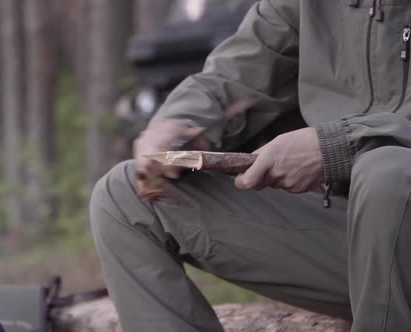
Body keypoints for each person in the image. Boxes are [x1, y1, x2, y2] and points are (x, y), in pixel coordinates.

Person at [89, 1, 411, 331]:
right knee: (127, 196)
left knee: (388, 176)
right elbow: (239, 72)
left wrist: (336, 146)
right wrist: (178, 124)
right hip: (351, 241)